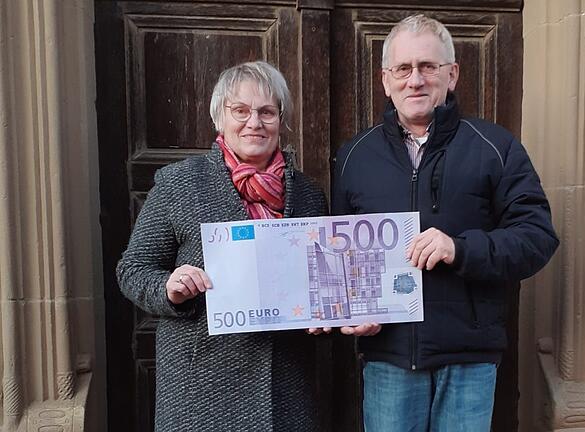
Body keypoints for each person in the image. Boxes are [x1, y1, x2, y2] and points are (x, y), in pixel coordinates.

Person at [333, 14, 559, 431]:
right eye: (403, 69)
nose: (415, 80)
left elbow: (537, 238)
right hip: (389, 356)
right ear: (386, 80)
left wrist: (460, 249)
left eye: (428, 67)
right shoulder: (354, 157)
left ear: (451, 74)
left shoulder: (496, 147)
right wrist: (356, 310)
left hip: (468, 357)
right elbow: (342, 257)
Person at [117, 61, 327, 432]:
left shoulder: (308, 194)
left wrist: (325, 313)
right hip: (199, 388)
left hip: (285, 387)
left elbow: (321, 280)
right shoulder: (179, 184)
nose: (254, 122)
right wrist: (170, 288)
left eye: (267, 112)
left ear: (281, 119)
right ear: (219, 118)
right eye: (240, 111)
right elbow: (133, 269)